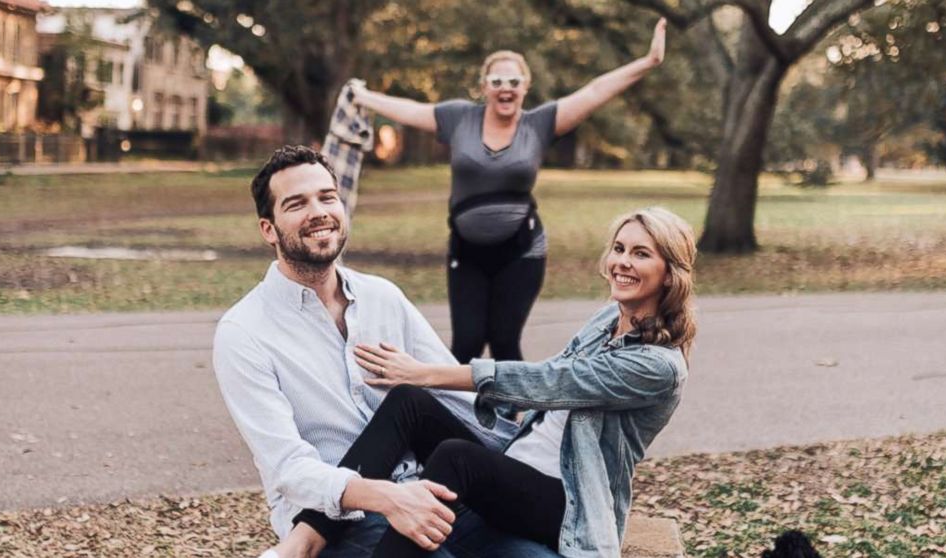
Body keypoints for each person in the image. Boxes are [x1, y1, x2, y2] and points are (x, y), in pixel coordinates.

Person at [211, 145, 560, 558]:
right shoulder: (244, 332)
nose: (319, 212)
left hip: (433, 493)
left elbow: (454, 400)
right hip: (339, 521)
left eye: (327, 197)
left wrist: (527, 436)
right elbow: (288, 468)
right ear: (268, 229)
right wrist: (388, 498)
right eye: (297, 204)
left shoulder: (383, 297)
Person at [290, 206, 698, 557]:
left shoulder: (658, 366)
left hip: (567, 503)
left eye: (641, 254)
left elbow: (553, 380)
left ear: (668, 274)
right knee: (409, 401)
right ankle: (310, 534)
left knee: (456, 456)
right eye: (620, 248)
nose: (622, 262)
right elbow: (552, 382)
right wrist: (432, 387)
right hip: (516, 464)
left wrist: (427, 371)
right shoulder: (610, 317)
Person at [351, 19, 668, 364]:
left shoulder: (539, 124)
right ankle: (456, 417)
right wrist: (364, 97)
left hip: (522, 252)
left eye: (514, 82)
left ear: (525, 87)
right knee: (466, 345)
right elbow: (411, 111)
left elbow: (594, 91)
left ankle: (513, 418)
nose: (506, 88)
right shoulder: (459, 118)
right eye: (497, 81)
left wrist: (649, 61)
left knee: (504, 342)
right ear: (484, 87)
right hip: (466, 251)